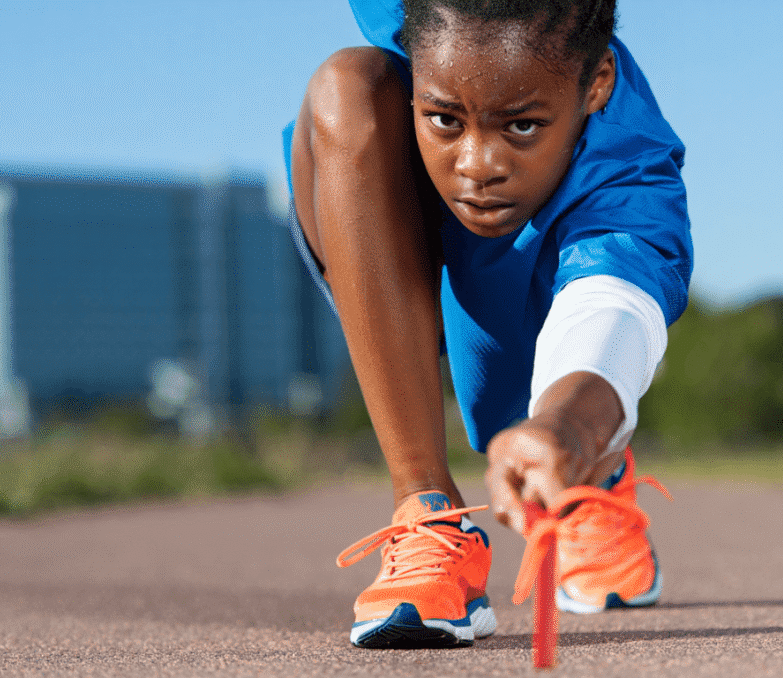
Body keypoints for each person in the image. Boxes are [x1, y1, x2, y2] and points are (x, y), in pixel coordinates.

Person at [283, 0, 692, 648]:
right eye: (446, 120)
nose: (477, 166)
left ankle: (588, 483)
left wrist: (570, 427)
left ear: (599, 83)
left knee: (538, 411)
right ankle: (427, 518)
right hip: (407, 237)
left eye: (522, 127)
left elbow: (611, 306)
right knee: (347, 86)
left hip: (539, 273)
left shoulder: (627, 167)